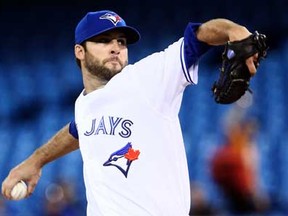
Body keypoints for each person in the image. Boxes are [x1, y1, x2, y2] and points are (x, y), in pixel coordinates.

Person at [2, 9, 260, 215]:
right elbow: (79, 129)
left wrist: (231, 30)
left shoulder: (145, 78)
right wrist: (35, 161)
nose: (116, 47)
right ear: (79, 51)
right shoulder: (84, 104)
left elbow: (198, 36)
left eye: (121, 42)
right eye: (104, 41)